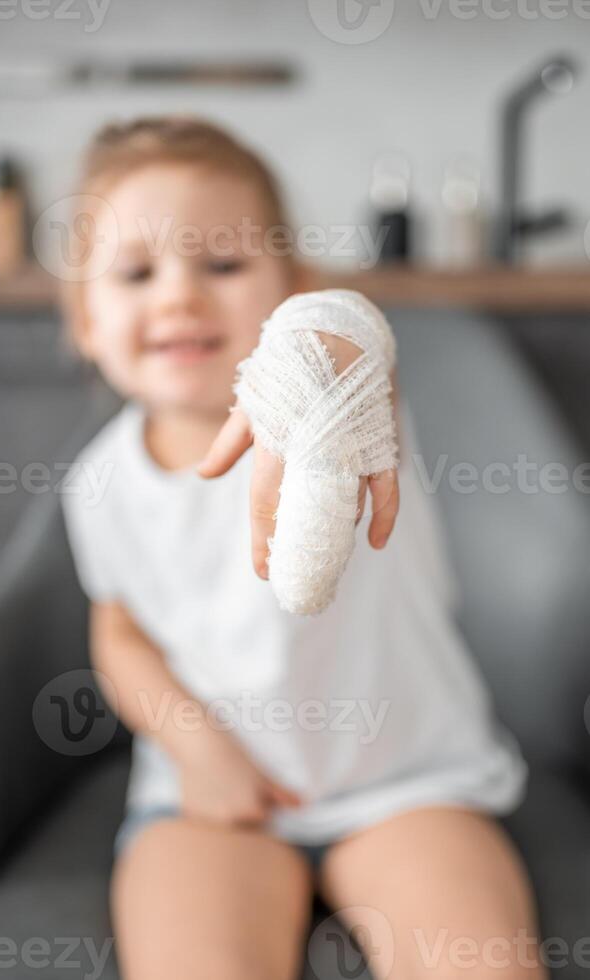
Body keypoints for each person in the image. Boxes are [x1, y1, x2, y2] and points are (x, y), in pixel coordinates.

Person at [60, 115, 546, 980]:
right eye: (136, 273)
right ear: (86, 324)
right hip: (212, 800)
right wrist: (201, 753)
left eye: (224, 264)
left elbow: (344, 339)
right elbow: (121, 634)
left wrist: (322, 347)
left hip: (404, 786)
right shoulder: (98, 484)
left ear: (293, 287)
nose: (178, 296)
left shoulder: (353, 412)